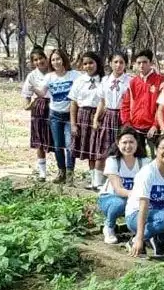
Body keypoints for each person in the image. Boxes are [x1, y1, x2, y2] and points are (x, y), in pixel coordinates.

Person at [99, 127, 148, 245]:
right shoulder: (113, 161)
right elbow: (118, 189)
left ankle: (140, 232)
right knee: (119, 203)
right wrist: (139, 196)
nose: (128, 146)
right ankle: (109, 227)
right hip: (111, 198)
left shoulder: (145, 162)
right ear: (118, 143)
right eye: (124, 142)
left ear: (137, 143)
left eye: (131, 142)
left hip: (134, 199)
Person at [40, 48, 80, 184]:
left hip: (70, 115)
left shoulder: (74, 75)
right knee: (58, 145)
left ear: (63, 59)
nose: (56, 62)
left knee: (70, 145)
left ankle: (70, 174)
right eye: (53, 60)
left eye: (58, 59)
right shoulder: (49, 77)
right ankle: (61, 172)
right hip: (55, 115)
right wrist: (30, 88)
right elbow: (41, 92)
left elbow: (85, 85)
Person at [70, 51, 106, 189]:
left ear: (97, 63)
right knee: (89, 149)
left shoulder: (104, 80)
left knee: (99, 149)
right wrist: (73, 124)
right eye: (85, 63)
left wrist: (99, 116)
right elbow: (73, 103)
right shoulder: (79, 81)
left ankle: (99, 181)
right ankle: (93, 181)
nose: (88, 66)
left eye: (91, 63)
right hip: (83, 115)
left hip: (99, 116)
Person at [93, 52, 131, 175]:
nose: (118, 65)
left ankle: (120, 178)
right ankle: (98, 180)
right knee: (103, 147)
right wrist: (96, 119)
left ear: (126, 64)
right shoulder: (105, 80)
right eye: (115, 62)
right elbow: (102, 102)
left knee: (122, 147)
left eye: (121, 62)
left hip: (123, 116)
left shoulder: (130, 81)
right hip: (108, 116)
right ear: (110, 63)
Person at [121, 49, 164, 156]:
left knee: (156, 158)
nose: (141, 65)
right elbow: (125, 105)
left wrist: (155, 125)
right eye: (139, 63)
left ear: (151, 63)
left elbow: (162, 107)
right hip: (134, 127)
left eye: (145, 62)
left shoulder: (161, 81)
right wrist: (127, 123)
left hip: (153, 129)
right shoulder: (133, 82)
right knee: (138, 158)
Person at [21, 47, 53, 181]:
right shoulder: (32, 76)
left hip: (55, 107)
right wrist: (28, 105)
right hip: (39, 108)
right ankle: (42, 173)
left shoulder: (55, 72)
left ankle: (62, 173)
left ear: (46, 59)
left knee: (55, 139)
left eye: (41, 58)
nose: (39, 62)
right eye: (35, 60)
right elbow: (26, 94)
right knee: (39, 140)